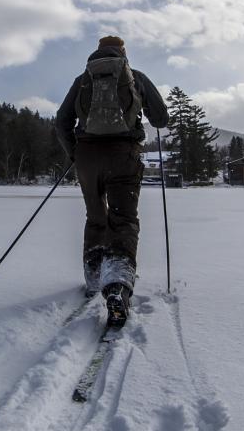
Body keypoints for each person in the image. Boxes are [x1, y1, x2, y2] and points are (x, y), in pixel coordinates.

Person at [55, 35, 168, 327]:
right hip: (124, 155)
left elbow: (61, 121)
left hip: (87, 158)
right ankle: (116, 285)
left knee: (96, 218)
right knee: (124, 221)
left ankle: (94, 279)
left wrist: (73, 154)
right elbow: (161, 118)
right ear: (123, 52)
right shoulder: (135, 77)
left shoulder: (83, 79)